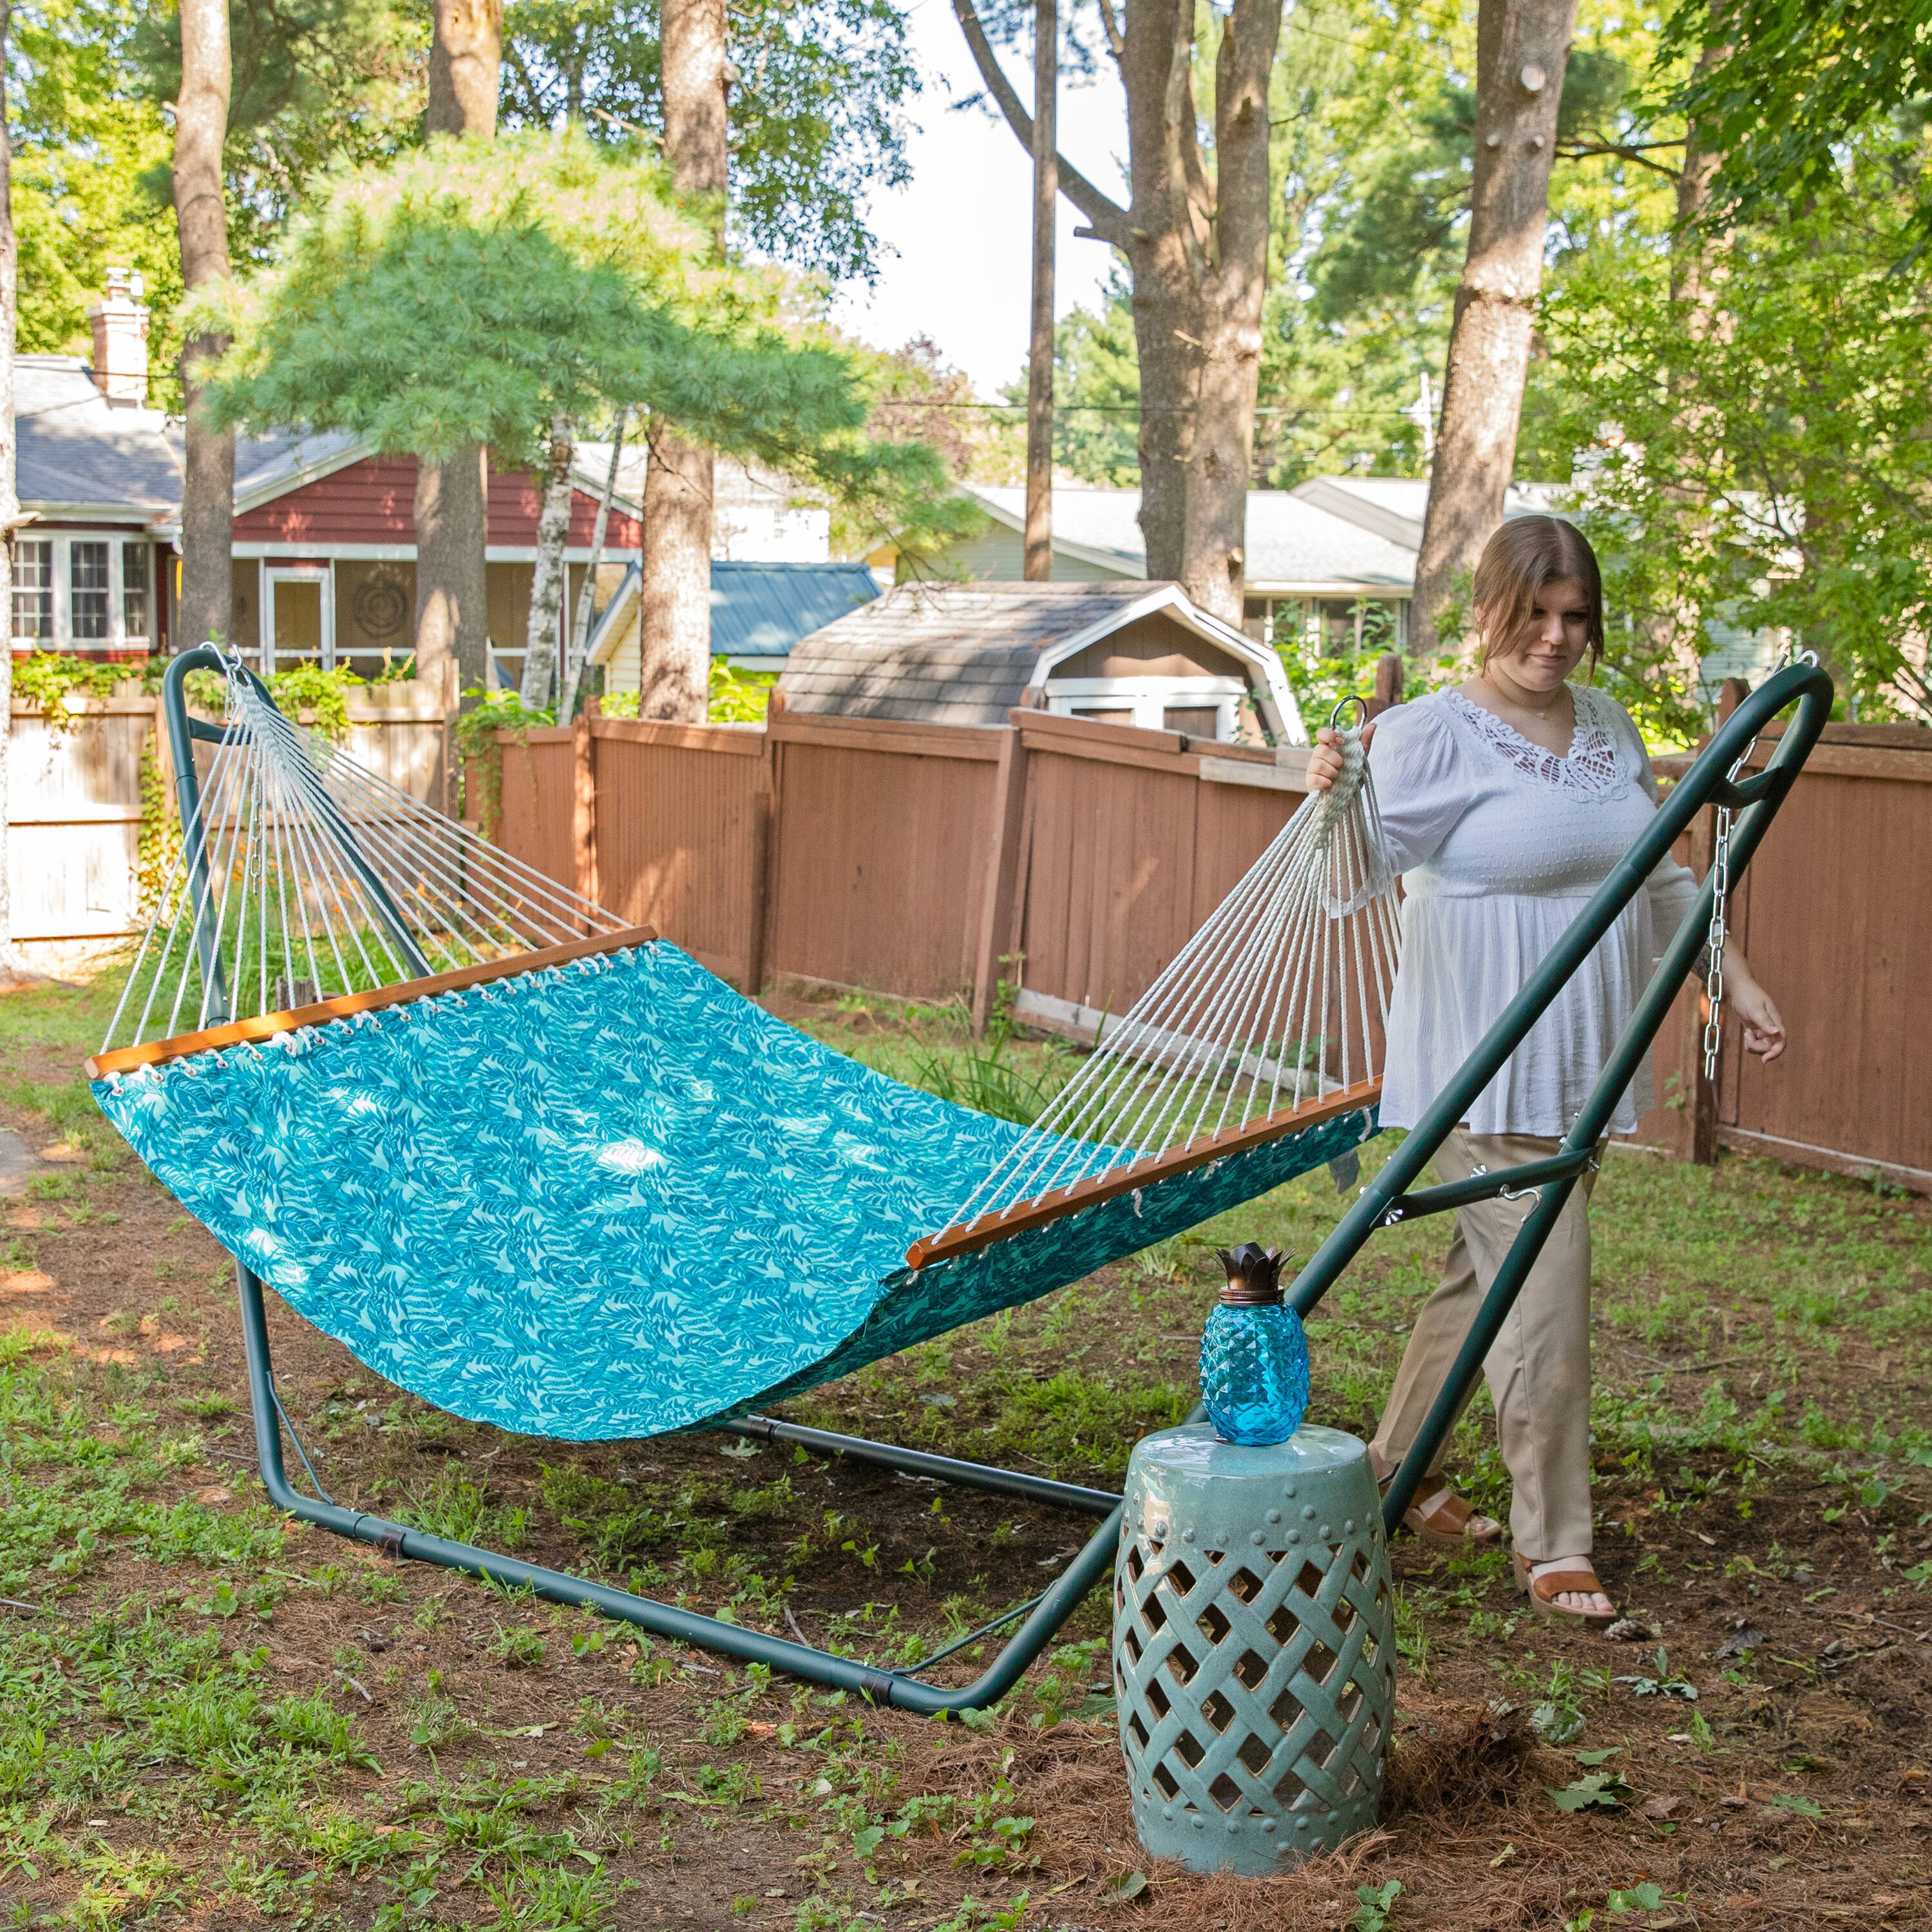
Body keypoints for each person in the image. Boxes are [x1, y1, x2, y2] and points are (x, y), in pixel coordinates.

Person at [1304, 515, 1786, 1626]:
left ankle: (1392, 1469)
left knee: (1490, 1280)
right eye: (1537, 615)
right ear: (1489, 611)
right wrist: (1332, 795)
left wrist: (1729, 977)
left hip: (1579, 1060)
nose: (1558, 639)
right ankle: (1554, 1542)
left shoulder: (1610, 727)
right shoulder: (1426, 735)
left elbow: (1658, 879)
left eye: (1577, 618)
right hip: (1482, 1062)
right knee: (1548, 1297)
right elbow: (1346, 882)